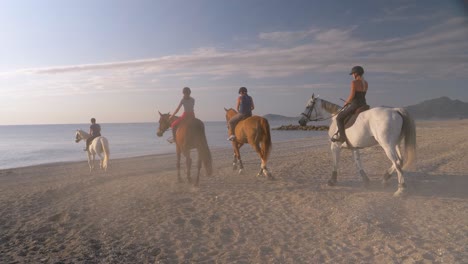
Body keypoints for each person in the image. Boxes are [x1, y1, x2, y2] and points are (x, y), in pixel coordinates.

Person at [331, 65, 368, 143]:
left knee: (339, 118)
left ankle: (342, 137)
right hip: (364, 105)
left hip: (355, 105)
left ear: (356, 74)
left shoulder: (354, 82)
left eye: (353, 73)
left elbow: (352, 95)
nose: (352, 75)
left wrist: (346, 102)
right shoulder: (366, 83)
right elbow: (362, 95)